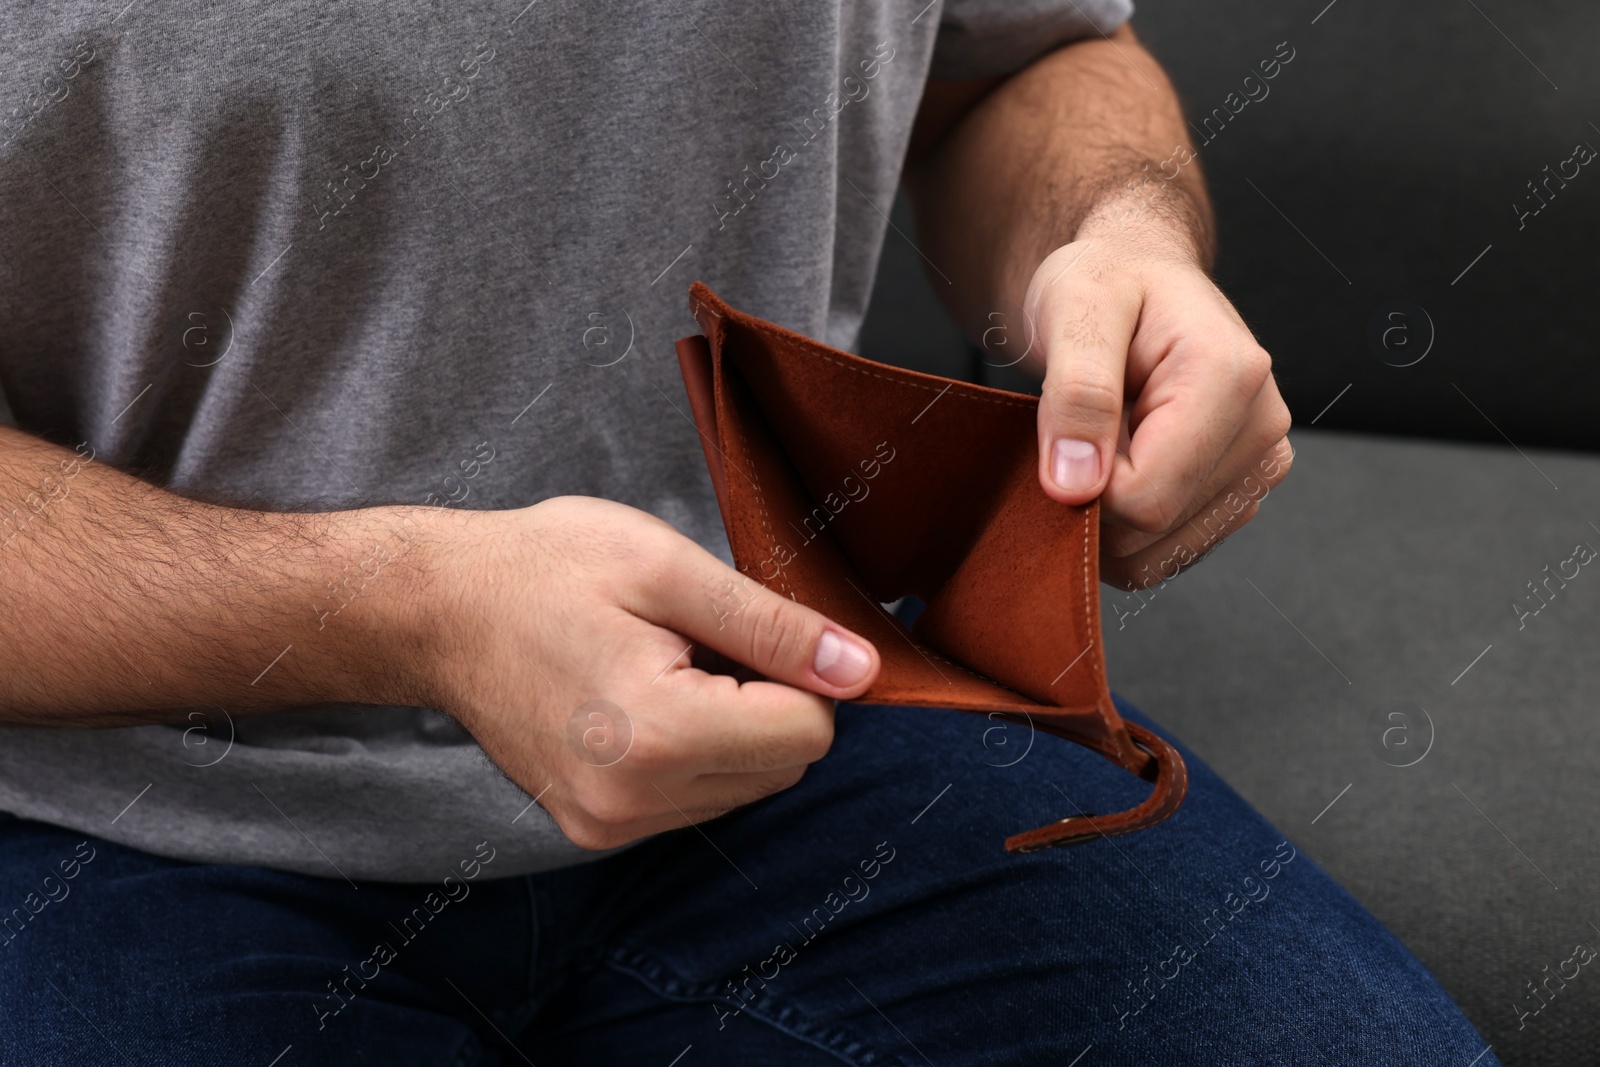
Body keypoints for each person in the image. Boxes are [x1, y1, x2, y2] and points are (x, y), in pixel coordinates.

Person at [0, 1, 1497, 1063]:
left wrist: (1114, 237)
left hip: (798, 706)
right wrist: (399, 610)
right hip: (109, 809)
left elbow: (1024, 56)